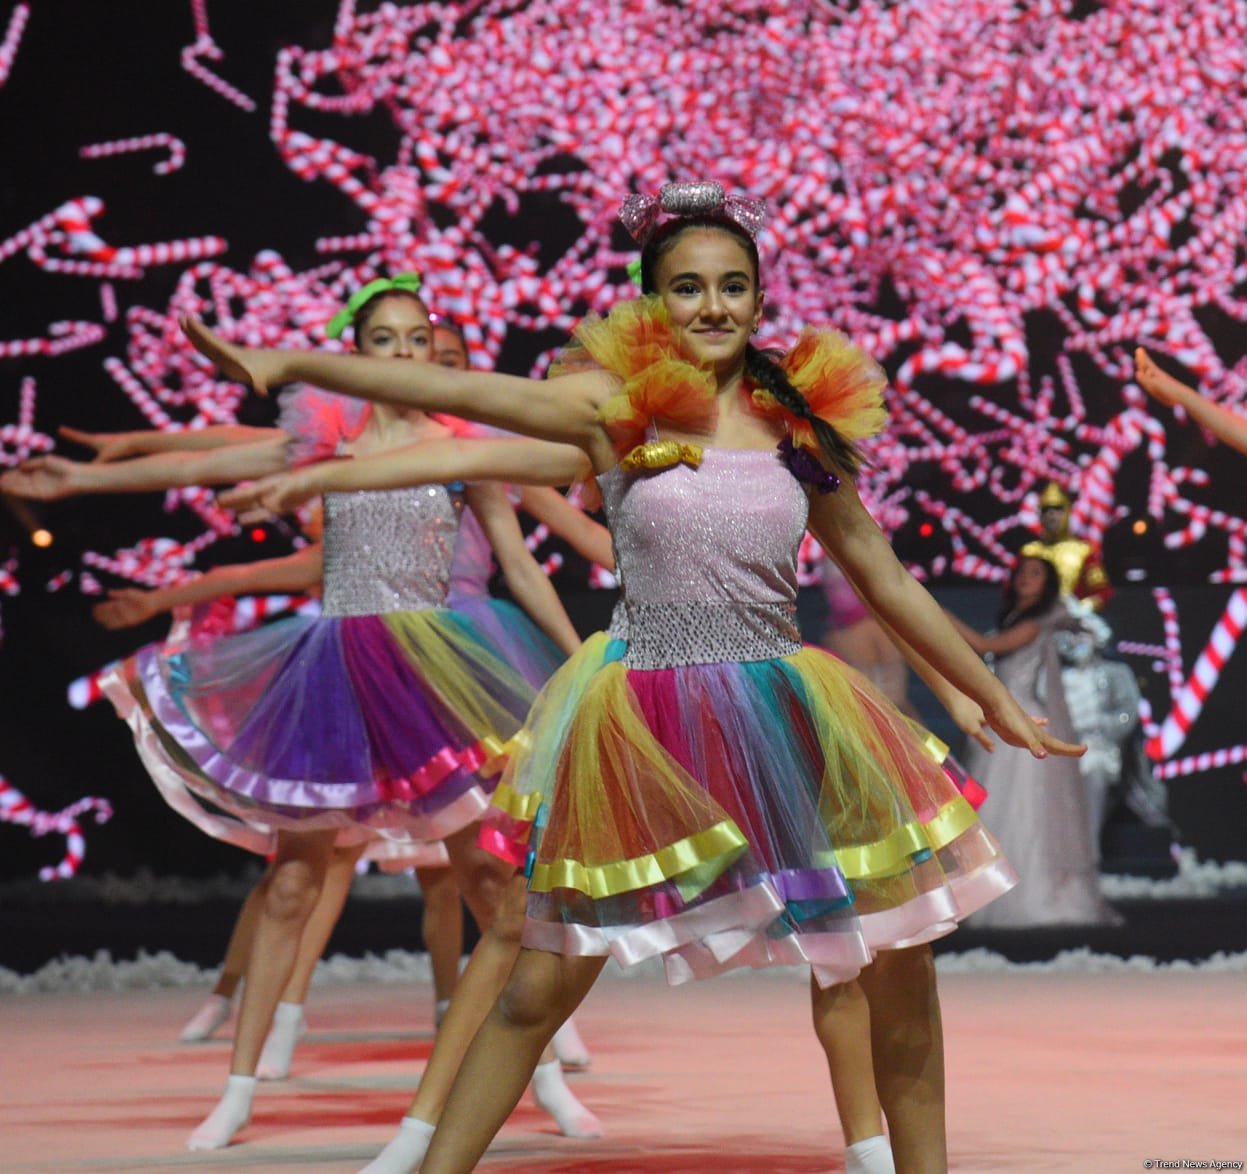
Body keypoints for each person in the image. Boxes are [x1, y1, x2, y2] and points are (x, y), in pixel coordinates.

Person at [181, 182, 1083, 1174]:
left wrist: (988, 694)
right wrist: (290, 363)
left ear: (757, 297)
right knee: (537, 982)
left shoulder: (795, 419)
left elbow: (882, 574)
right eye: (688, 287)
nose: (712, 306)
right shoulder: (617, 408)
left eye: (733, 286)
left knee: (898, 960)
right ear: (652, 303)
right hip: (647, 718)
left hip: (790, 708)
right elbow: (472, 397)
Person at [5, 277, 600, 1151]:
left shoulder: (459, 443)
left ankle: (541, 1077)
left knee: (489, 884)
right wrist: (78, 486)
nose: (401, 356)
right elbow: (207, 459)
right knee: (293, 881)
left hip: (445, 673)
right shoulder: (325, 440)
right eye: (383, 342)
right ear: (351, 354)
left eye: (413, 341)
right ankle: (239, 1091)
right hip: (338, 675)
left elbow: (518, 563)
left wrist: (574, 653)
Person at [946, 556, 1120, 928]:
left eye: (1036, 574)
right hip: (1005, 718)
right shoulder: (1016, 618)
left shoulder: (1033, 624)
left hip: (1023, 719)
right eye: (1022, 572)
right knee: (1001, 807)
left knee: (1022, 807)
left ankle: (1025, 895)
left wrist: (933, 613)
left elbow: (981, 644)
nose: (1026, 578)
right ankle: (994, 891)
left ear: (1048, 586)